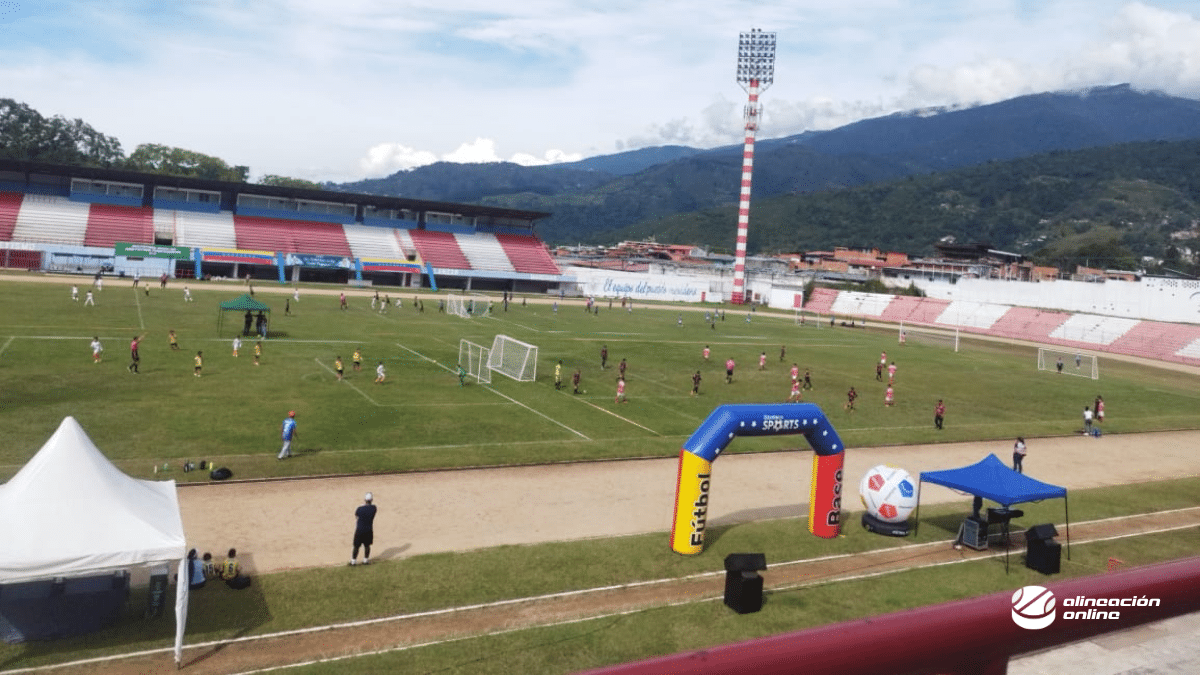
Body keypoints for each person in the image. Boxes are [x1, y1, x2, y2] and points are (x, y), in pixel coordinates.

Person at [350, 492, 377, 566]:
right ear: (371, 500)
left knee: (356, 546)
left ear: (365, 500)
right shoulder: (374, 508)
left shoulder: (360, 508)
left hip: (359, 530)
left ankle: (353, 561)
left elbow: (356, 515)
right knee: (367, 545)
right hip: (368, 530)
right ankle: (365, 560)